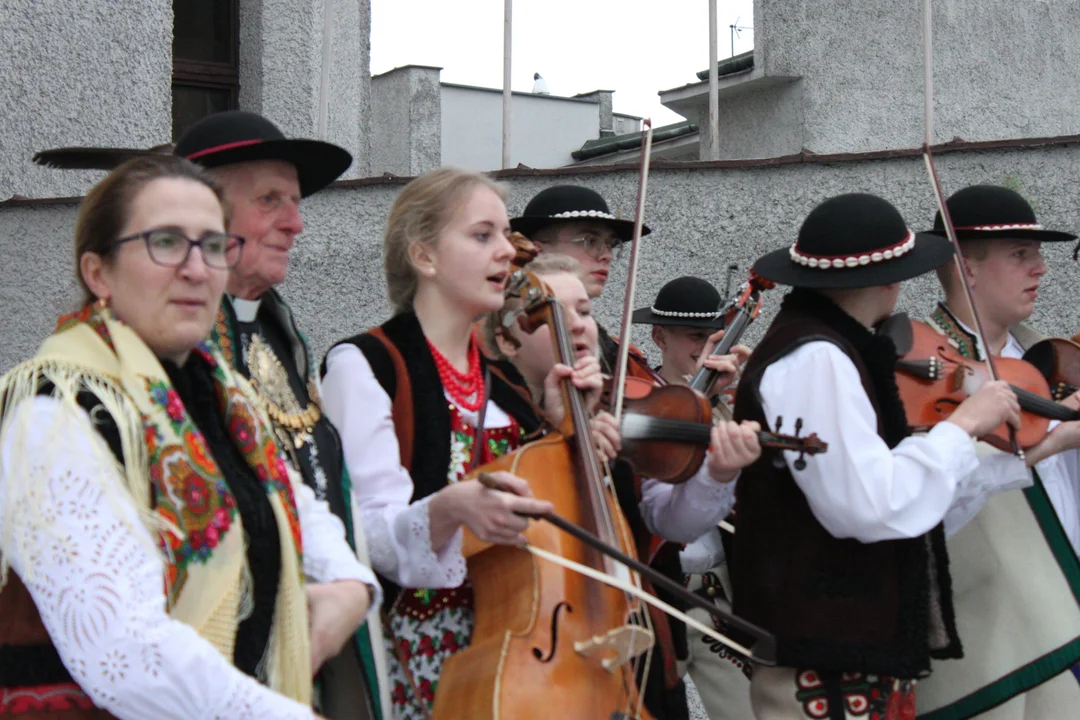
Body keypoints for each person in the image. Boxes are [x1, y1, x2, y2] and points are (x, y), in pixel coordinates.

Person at [0, 155, 377, 719]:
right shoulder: (56, 412)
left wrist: (351, 583)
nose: (198, 269)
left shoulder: (222, 396)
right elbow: (123, 652)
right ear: (98, 272)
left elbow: (295, 505)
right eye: (167, 242)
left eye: (214, 245)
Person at [728, 192, 1039, 720]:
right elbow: (868, 506)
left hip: (845, 657)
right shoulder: (815, 356)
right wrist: (963, 426)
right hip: (822, 661)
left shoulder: (830, 347)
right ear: (887, 279)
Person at [320, 168, 611, 719]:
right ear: (424, 256)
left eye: (505, 234)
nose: (507, 251)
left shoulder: (501, 385)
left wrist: (562, 432)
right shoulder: (365, 366)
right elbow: (368, 537)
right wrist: (451, 508)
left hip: (516, 645)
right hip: (419, 656)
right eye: (483, 236)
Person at [173, 111, 386, 718]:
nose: (295, 224)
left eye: (294, 203)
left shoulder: (280, 334)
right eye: (270, 200)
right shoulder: (160, 351)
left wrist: (344, 585)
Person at [511, 185, 693, 718]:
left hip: (629, 591)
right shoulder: (504, 357)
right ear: (533, 248)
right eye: (589, 239)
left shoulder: (618, 356)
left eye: (610, 243)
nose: (605, 254)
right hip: (544, 604)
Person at [913, 185, 1080, 719]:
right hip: (989, 642)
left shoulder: (1049, 357)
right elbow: (926, 507)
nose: (1041, 269)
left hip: (1064, 613)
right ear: (967, 267)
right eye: (1020, 254)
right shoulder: (920, 372)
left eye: (1037, 254)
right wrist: (1054, 439)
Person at [631, 276, 755, 720]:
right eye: (694, 337)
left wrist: (729, 403)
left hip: (718, 595)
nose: (704, 351)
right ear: (659, 336)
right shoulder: (634, 404)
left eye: (712, 338)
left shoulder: (732, 404)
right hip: (656, 594)